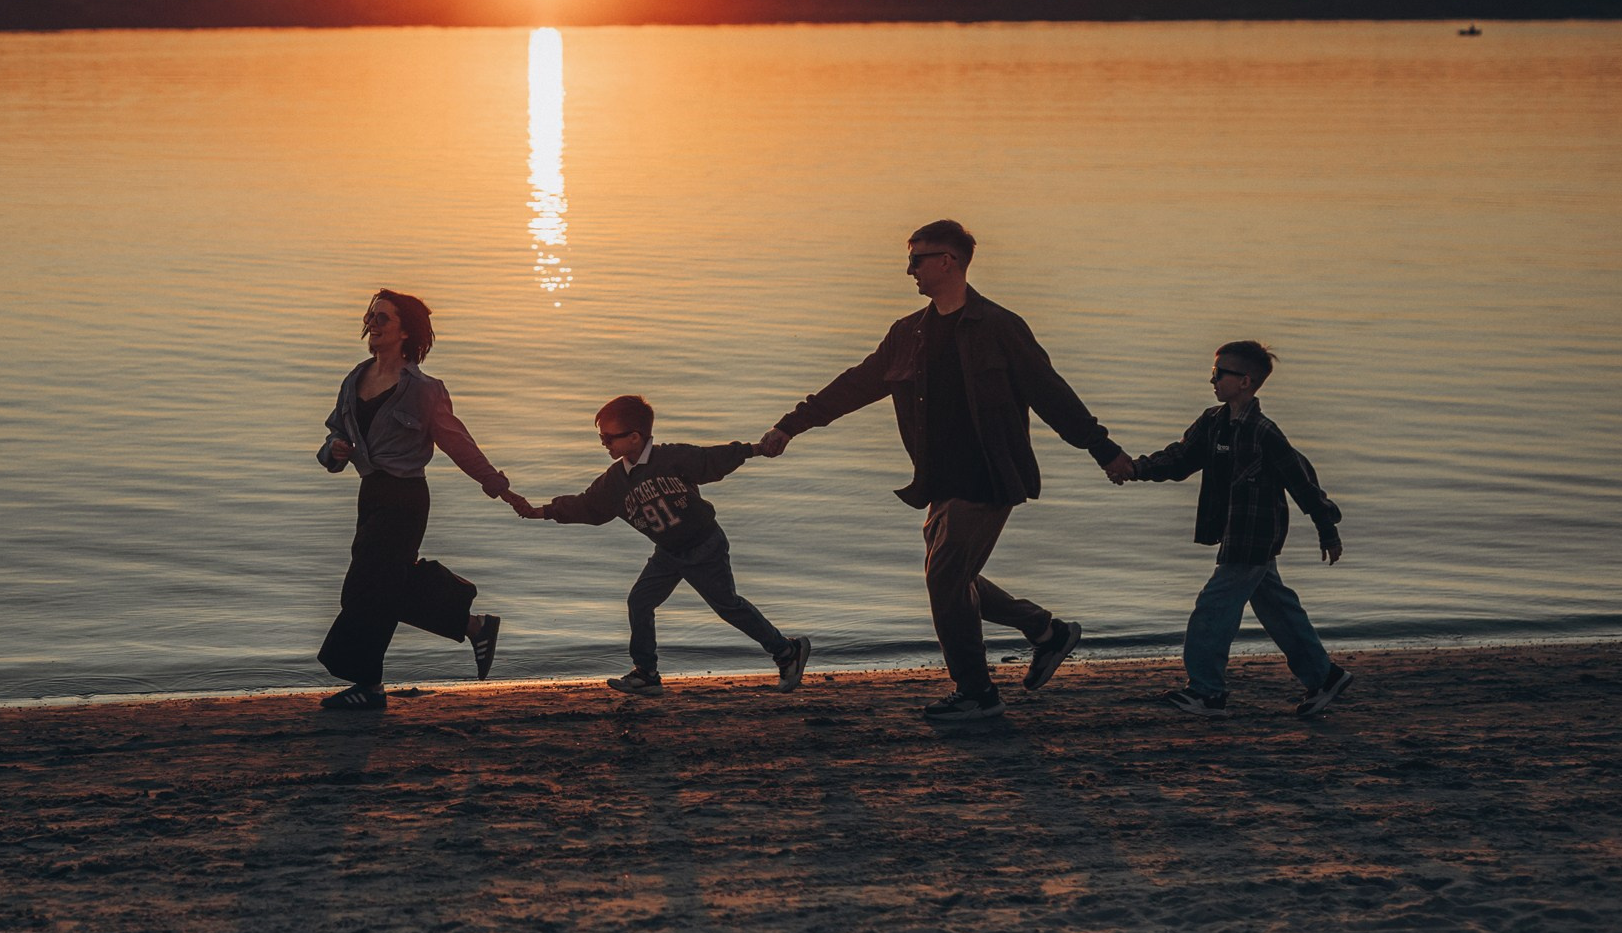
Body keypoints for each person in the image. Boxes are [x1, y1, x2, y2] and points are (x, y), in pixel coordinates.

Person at [758, 220, 1123, 721]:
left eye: (917, 259)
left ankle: (977, 692)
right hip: (938, 480)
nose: (909, 268)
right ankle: (1046, 630)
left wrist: (1103, 450)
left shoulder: (999, 327)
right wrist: (791, 425)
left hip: (991, 475)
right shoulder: (908, 334)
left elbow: (1051, 394)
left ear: (948, 261)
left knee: (946, 578)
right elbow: (854, 385)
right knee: (955, 579)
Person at [315, 289, 535, 711]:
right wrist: (336, 451)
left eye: (383, 318)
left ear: (404, 332)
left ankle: (369, 685)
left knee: (363, 588)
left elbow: (459, 444)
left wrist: (500, 488)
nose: (372, 324)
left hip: (405, 499)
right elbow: (333, 437)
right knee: (384, 586)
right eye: (371, 316)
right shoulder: (354, 379)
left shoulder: (424, 390)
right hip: (371, 494)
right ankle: (473, 626)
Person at [1108, 341, 1352, 718]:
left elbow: (1301, 480)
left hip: (1254, 538)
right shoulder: (1213, 422)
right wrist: (1136, 468)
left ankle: (1207, 692)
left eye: (1220, 373)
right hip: (1232, 533)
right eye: (1213, 372)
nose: (1212, 379)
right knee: (1277, 608)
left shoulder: (1263, 431)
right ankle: (1325, 676)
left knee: (1213, 608)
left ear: (1245, 381)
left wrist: (1327, 529)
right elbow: (1178, 458)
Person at [520, 395, 810, 697]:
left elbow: (711, 459)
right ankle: (646, 674)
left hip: (703, 545)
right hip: (668, 553)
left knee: (728, 606)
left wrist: (756, 449)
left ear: (634, 437)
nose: (604, 443)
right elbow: (587, 506)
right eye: (601, 437)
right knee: (640, 602)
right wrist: (541, 511)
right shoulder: (614, 482)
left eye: (609, 437)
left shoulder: (670, 458)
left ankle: (788, 651)